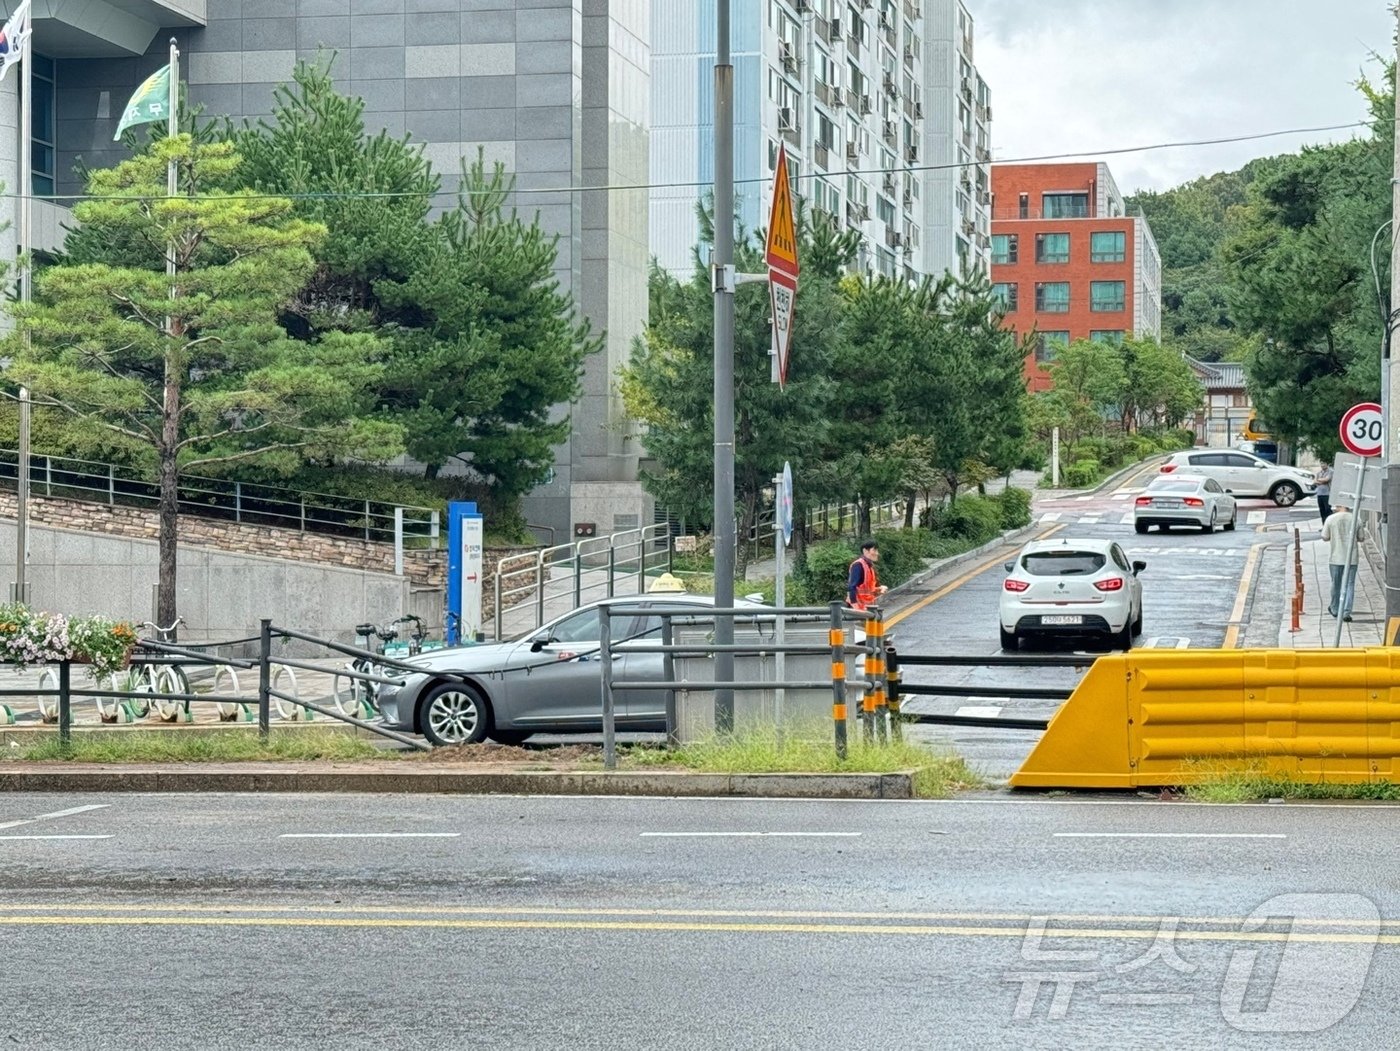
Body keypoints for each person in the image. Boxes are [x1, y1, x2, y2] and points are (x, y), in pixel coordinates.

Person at [1321, 504, 1364, 622]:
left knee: (1336, 583)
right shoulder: (1356, 519)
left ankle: (1335, 608)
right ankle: (1346, 612)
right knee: (1350, 584)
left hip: (1336, 556)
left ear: (1339, 505)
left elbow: (1324, 537)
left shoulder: (1331, 519)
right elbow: (1361, 538)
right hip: (1352, 558)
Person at [847, 539, 888, 611]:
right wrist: (855, 607)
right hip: (859, 609)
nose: (877, 553)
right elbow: (852, 587)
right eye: (874, 550)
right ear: (865, 551)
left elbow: (867, 590)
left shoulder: (869, 566)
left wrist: (879, 589)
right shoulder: (858, 565)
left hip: (868, 608)